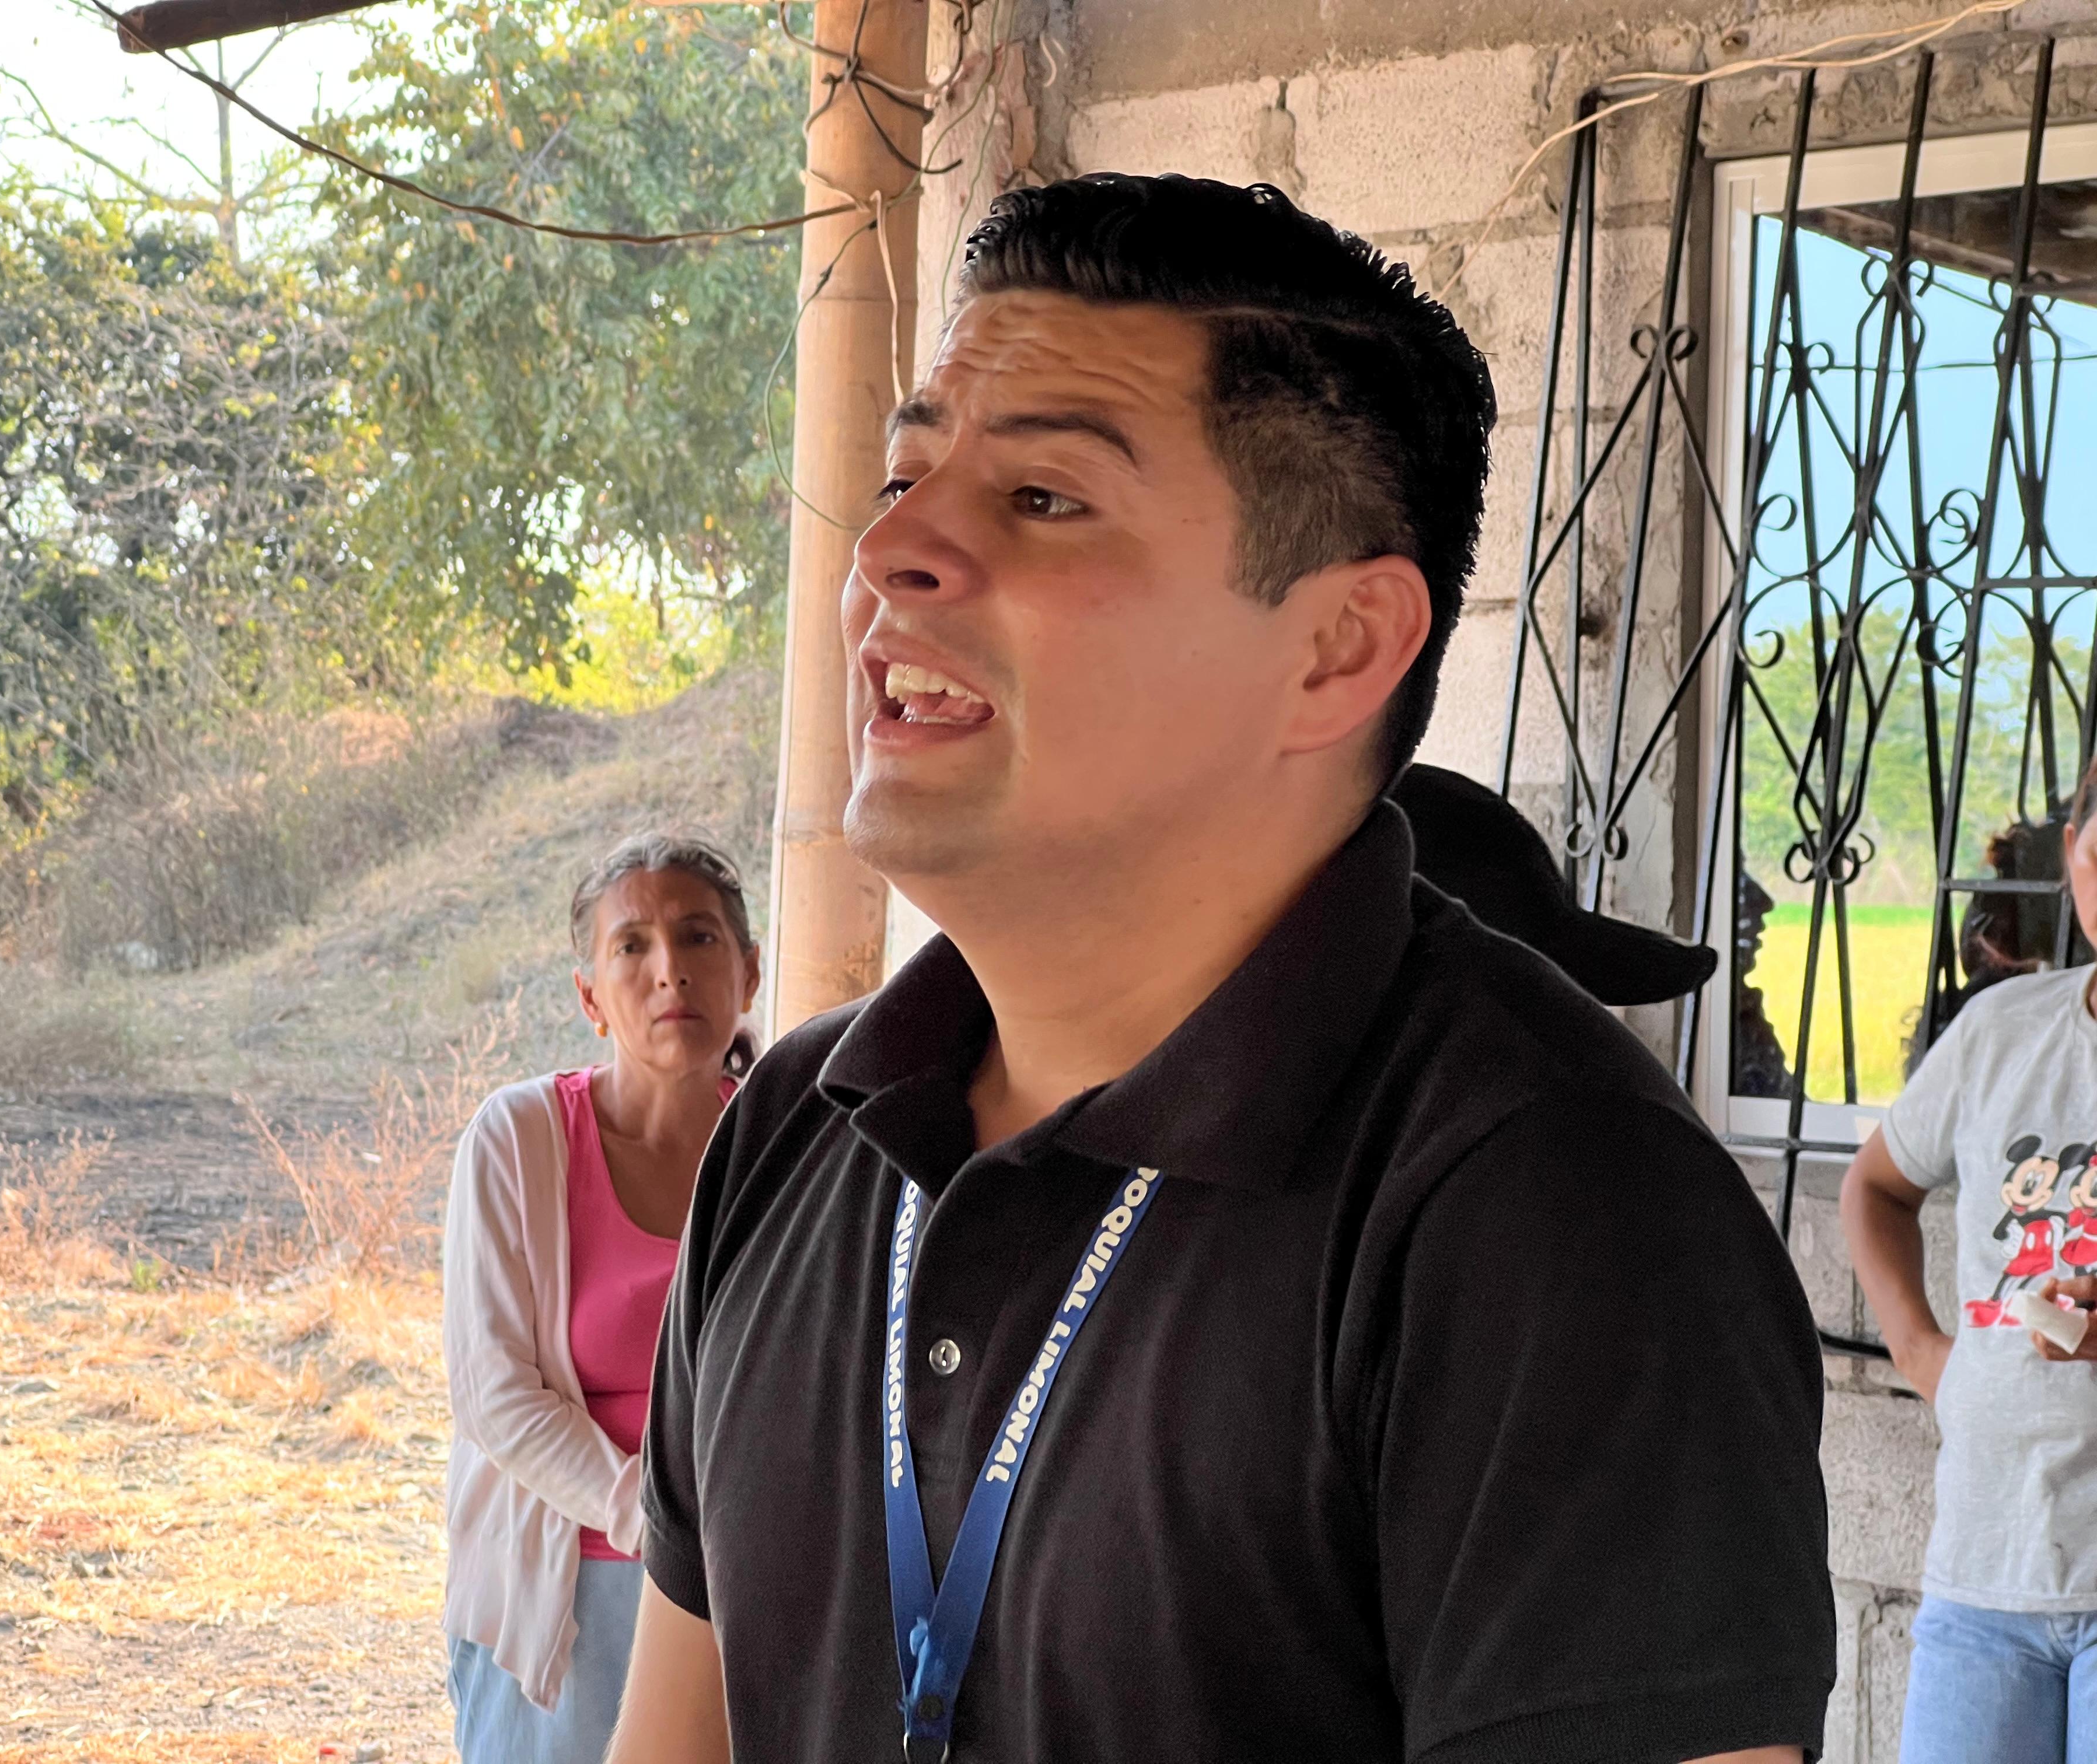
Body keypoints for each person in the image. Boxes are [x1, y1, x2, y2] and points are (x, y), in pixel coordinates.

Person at [611, 174, 1834, 1764]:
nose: (892, 548)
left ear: (1336, 648)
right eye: (905, 476)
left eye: (1043, 496)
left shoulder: (1553, 1212)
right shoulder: (792, 1129)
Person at [439, 832, 759, 1764]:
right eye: (632, 946)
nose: (670, 971)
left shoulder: (786, 1145)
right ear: (590, 998)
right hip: (565, 1587)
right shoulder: (520, 1138)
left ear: (748, 972)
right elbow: (495, 1397)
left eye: (699, 937)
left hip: (741, 1587)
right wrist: (659, 1528)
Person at [1843, 754, 2097, 1764]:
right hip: (1984, 1579)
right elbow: (1876, 1187)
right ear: (2074, 857)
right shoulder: (2002, 1031)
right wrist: (1920, 1351)